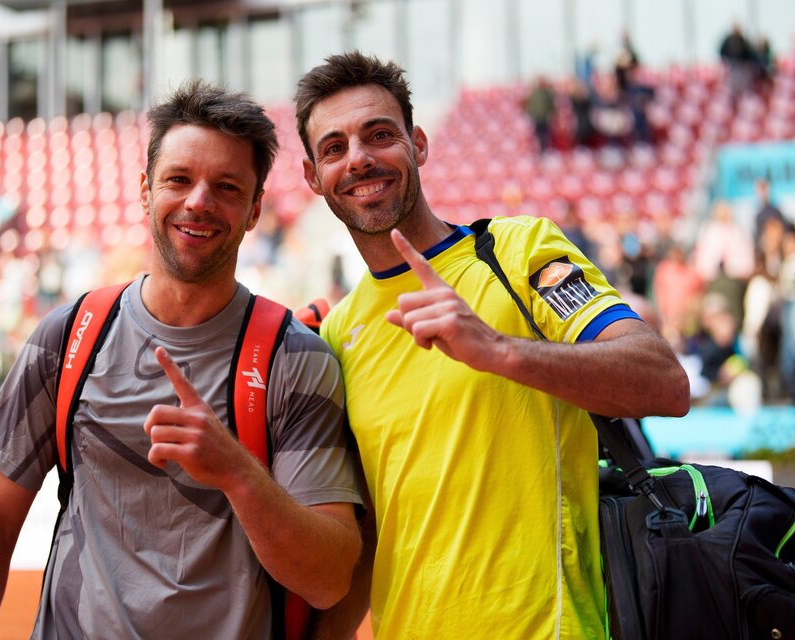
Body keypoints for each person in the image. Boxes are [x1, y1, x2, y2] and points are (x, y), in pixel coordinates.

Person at [0, 80, 364, 640]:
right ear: (146, 190)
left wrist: (237, 472)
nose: (198, 202)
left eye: (226, 186)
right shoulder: (68, 337)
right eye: (179, 179)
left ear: (255, 209)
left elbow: (330, 579)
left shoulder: (298, 360)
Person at [294, 52, 690, 639]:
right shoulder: (338, 334)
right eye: (334, 147)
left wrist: (497, 349)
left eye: (380, 135)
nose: (359, 159)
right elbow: (372, 535)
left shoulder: (516, 250)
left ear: (418, 144)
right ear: (312, 177)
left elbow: (663, 381)